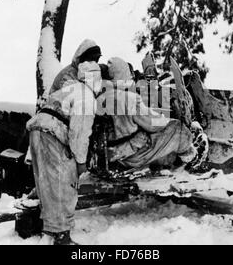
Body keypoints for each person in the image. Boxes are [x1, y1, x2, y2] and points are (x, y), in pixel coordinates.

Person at [26, 62, 102, 245]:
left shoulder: (70, 88)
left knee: (46, 183)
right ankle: (61, 236)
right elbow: (79, 134)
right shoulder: (87, 97)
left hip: (37, 128)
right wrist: (80, 162)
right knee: (65, 183)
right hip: (53, 132)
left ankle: (48, 228)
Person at [98, 57, 208, 172]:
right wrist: (164, 120)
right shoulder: (129, 99)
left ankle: (172, 162)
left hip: (113, 154)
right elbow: (152, 124)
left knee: (153, 137)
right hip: (133, 155)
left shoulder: (100, 99)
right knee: (177, 127)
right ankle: (192, 160)